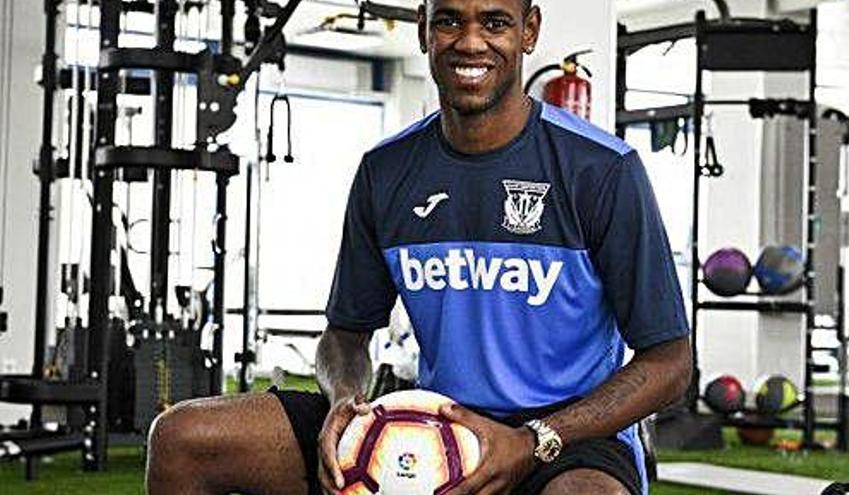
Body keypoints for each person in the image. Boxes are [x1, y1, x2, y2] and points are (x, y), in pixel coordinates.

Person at [145, 0, 692, 494]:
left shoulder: (601, 170)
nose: (470, 42)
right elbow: (344, 335)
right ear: (423, 31)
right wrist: (344, 401)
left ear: (529, 31)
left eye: (495, 22)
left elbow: (670, 363)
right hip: (431, 424)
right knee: (184, 437)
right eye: (449, 20)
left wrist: (533, 440)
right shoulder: (386, 171)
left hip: (564, 439)